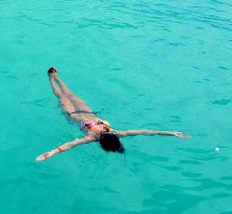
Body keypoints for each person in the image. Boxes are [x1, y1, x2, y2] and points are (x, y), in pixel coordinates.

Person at [36, 67, 190, 161]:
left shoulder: (91, 138)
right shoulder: (118, 133)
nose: (105, 131)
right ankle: (58, 77)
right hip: (86, 111)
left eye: (104, 134)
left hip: (72, 115)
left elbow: (71, 144)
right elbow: (145, 132)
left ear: (101, 141)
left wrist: (51, 153)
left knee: (61, 97)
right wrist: (170, 132)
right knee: (71, 94)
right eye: (107, 132)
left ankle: (51, 80)